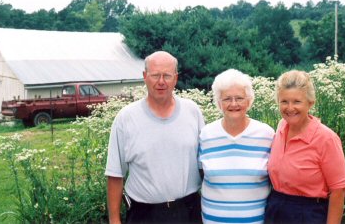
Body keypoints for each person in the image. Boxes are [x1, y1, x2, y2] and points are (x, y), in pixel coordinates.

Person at [105, 51, 205, 224]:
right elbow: (115, 174)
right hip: (144, 215)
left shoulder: (193, 112)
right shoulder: (126, 118)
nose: (161, 82)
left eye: (166, 75)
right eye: (155, 75)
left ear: (175, 78)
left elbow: (205, 164)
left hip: (189, 212)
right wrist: (114, 219)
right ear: (145, 76)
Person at [265, 70, 345, 224]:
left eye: (297, 101)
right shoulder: (281, 127)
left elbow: (339, 191)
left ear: (310, 103)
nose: (290, 108)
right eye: (284, 101)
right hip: (275, 209)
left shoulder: (326, 138)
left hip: (307, 215)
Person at [199, 69, 275, 224]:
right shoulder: (206, 135)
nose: (234, 104)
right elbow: (200, 174)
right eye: (227, 98)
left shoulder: (266, 134)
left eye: (239, 98)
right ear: (219, 103)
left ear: (249, 101)